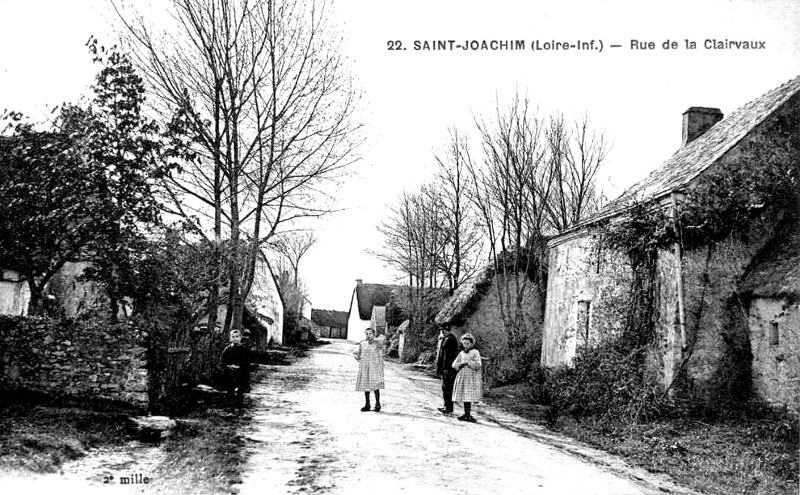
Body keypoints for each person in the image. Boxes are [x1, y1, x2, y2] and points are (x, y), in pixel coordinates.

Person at [451, 333, 482, 422]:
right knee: (464, 394)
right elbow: (454, 364)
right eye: (464, 343)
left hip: (471, 375)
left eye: (468, 343)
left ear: (472, 343)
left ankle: (468, 414)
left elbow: (478, 364)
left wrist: (469, 363)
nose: (466, 345)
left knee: (468, 394)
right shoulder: (461, 353)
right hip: (462, 374)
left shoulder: (475, 352)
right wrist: (460, 364)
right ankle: (465, 414)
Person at [353, 327, 385, 412]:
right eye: (366, 334)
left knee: (375, 385)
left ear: (374, 334)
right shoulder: (363, 344)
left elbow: (383, 345)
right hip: (365, 367)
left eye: (370, 333)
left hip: (374, 367)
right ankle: (367, 404)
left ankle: (377, 404)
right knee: (366, 385)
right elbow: (356, 353)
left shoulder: (378, 343)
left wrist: (380, 363)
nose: (368, 335)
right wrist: (361, 360)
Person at [220, 328, 251, 410]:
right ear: (230, 338)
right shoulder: (228, 349)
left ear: (240, 337)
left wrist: (240, 367)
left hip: (240, 373)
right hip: (230, 373)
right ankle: (231, 406)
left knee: (240, 390)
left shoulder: (243, 350)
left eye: (237, 336)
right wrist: (228, 366)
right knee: (230, 390)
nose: (235, 338)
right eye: (233, 337)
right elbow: (222, 361)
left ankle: (239, 406)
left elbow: (247, 363)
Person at [435, 323, 459, 414]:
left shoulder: (450, 340)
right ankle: (446, 405)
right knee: (445, 387)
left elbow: (447, 357)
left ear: (445, 330)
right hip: (446, 367)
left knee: (448, 388)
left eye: (442, 330)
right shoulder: (447, 339)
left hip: (448, 368)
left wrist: (444, 368)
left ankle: (448, 407)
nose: (442, 332)